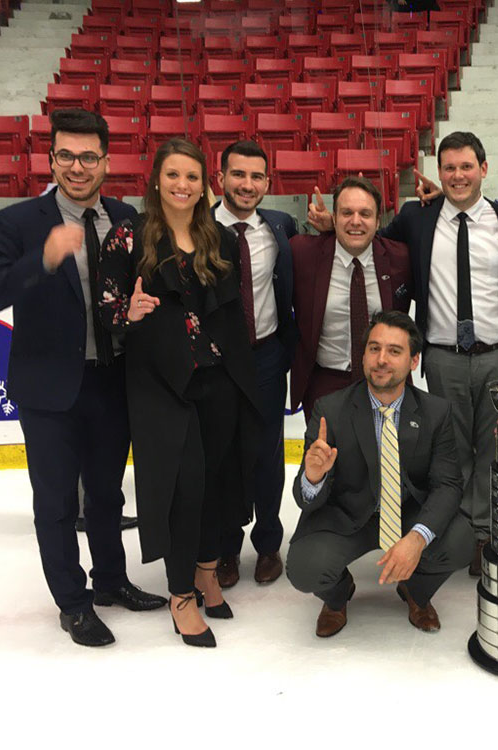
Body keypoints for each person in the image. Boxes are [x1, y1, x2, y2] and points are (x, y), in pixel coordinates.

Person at [0, 108, 165, 647]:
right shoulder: (19, 223)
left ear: (107, 160)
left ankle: (110, 581)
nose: (77, 167)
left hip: (111, 380)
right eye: (65, 156)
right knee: (56, 502)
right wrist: (44, 258)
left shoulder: (126, 216)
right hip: (48, 390)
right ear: (50, 158)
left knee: (106, 494)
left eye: (88, 157)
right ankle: (73, 603)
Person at [308, 131, 498, 576]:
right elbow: (370, 235)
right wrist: (331, 226)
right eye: (449, 167)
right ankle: (453, 528)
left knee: (491, 447)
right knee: (454, 451)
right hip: (441, 353)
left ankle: (482, 534)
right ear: (438, 172)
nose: (457, 175)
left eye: (466, 166)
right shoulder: (417, 218)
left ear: (484, 168)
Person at [97, 138, 260, 648]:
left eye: (192, 176)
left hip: (218, 379)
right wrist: (131, 313)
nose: (183, 186)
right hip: (162, 384)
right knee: (182, 488)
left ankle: (207, 571)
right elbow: (107, 309)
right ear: (156, 179)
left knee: (216, 482)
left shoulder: (218, 238)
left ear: (203, 182)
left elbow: (233, 314)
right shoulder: (129, 235)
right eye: (173, 175)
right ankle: (179, 594)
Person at [286, 311, 473, 636]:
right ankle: (338, 596)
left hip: (407, 514)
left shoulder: (435, 412)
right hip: (348, 516)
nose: (381, 359)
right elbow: (305, 501)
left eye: (394, 351)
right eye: (374, 349)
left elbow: (448, 485)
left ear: (414, 361)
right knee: (303, 569)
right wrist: (313, 477)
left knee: (462, 540)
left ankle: (415, 592)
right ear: (363, 355)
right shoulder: (330, 410)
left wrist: (416, 538)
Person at [212, 140, 297, 588]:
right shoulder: (199, 228)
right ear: (220, 177)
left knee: (267, 455)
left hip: (266, 357)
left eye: (256, 176)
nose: (247, 185)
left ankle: (268, 544)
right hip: (216, 364)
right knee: (224, 456)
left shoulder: (280, 226)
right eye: (238, 175)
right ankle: (226, 548)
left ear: (268, 181)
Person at [290, 176, 411, 419]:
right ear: (333, 218)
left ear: (378, 221)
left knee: (383, 455)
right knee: (325, 455)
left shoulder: (400, 257)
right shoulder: (301, 253)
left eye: (365, 214)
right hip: (325, 383)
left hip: (385, 381)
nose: (356, 222)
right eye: (346, 213)